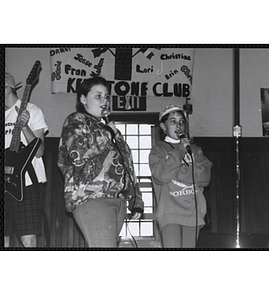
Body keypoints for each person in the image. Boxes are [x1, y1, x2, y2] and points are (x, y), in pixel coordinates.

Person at [57, 76, 144, 248]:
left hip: (117, 201)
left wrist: (136, 201)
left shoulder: (111, 130)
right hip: (92, 198)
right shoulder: (76, 121)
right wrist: (108, 133)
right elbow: (78, 154)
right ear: (83, 99)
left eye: (106, 96)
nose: (104, 101)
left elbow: (127, 167)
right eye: (98, 96)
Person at [149, 104, 212, 248]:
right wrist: (179, 152)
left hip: (193, 213)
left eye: (182, 121)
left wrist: (177, 172)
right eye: (173, 121)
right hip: (170, 213)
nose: (179, 126)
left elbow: (205, 177)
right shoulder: (158, 150)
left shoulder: (195, 150)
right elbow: (161, 175)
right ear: (163, 126)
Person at [4, 73, 48, 248]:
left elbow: (39, 152)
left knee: (28, 240)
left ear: (7, 88)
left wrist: (25, 127)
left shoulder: (32, 110)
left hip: (26, 183)